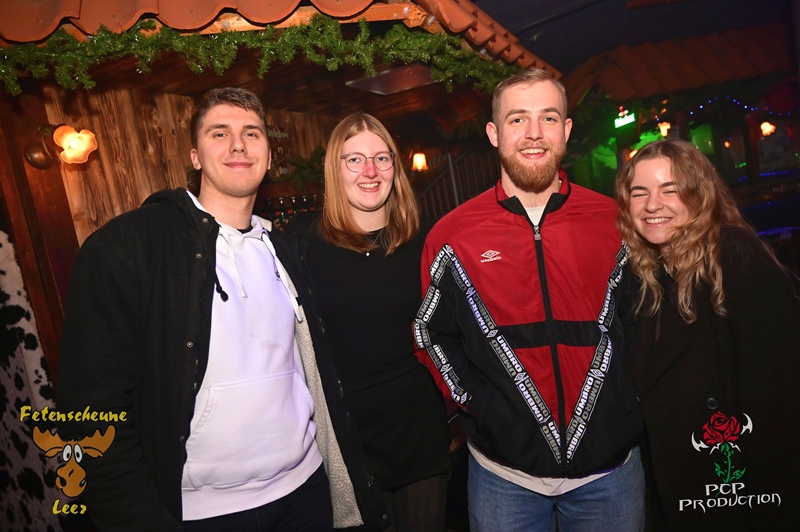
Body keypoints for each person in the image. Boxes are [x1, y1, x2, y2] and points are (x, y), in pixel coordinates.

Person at [56, 87, 386, 531]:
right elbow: (90, 409)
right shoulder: (132, 246)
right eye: (219, 133)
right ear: (194, 157)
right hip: (204, 513)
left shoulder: (286, 252)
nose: (238, 145)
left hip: (306, 491)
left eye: (252, 133)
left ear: (268, 157)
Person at [413, 68, 644, 531]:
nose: (534, 133)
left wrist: (628, 404)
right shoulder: (452, 235)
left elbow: (647, 323)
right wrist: (476, 403)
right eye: (518, 119)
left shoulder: (617, 222)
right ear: (494, 133)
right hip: (504, 477)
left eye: (548, 118)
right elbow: (431, 334)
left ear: (566, 130)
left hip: (609, 473)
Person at [615, 138, 800, 530]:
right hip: (681, 478)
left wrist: (765, 500)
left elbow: (779, 388)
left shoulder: (734, 254)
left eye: (670, 190)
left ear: (699, 196)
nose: (652, 205)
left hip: (736, 482)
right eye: (639, 192)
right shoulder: (647, 274)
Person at [287, 113, 451, 531]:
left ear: (395, 167)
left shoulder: (425, 241)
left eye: (382, 158)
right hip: (345, 438)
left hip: (418, 432)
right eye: (355, 159)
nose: (370, 171)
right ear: (335, 168)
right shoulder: (301, 245)